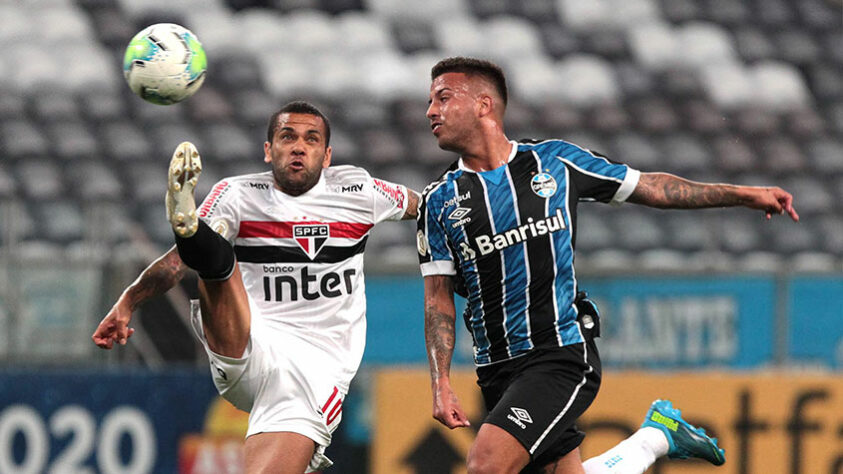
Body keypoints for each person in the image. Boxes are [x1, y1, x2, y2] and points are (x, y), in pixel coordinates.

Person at [417, 57, 799, 474]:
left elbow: (651, 187)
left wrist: (742, 194)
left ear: (484, 105)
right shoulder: (438, 201)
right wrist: (441, 384)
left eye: (443, 98)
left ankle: (656, 437)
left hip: (558, 353)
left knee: (486, 465)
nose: (430, 111)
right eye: (431, 101)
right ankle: (657, 436)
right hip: (495, 368)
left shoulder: (555, 163)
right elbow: (438, 300)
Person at [93, 101, 420, 473]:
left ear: (327, 156)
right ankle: (189, 225)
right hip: (245, 342)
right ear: (268, 150)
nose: (299, 146)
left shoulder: (358, 189)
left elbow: (423, 206)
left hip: (315, 368)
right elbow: (174, 263)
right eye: (287, 137)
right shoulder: (238, 194)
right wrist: (127, 301)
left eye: (311, 139)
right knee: (215, 261)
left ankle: (194, 231)